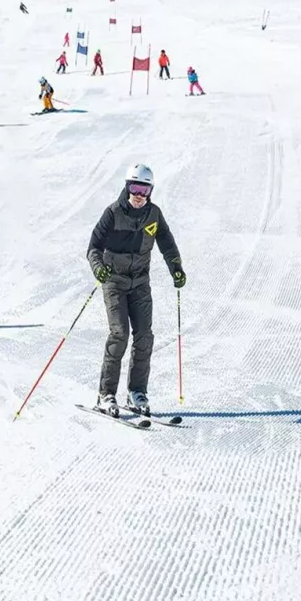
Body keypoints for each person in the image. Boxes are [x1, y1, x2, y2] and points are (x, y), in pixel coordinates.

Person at [86, 164, 185, 418]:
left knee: (144, 336)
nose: (139, 194)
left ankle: (136, 393)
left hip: (140, 282)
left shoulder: (153, 214)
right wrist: (99, 268)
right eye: (135, 187)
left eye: (145, 189)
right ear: (127, 187)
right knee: (120, 333)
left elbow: (166, 242)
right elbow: (94, 246)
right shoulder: (113, 212)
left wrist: (176, 267)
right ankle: (106, 394)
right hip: (114, 281)